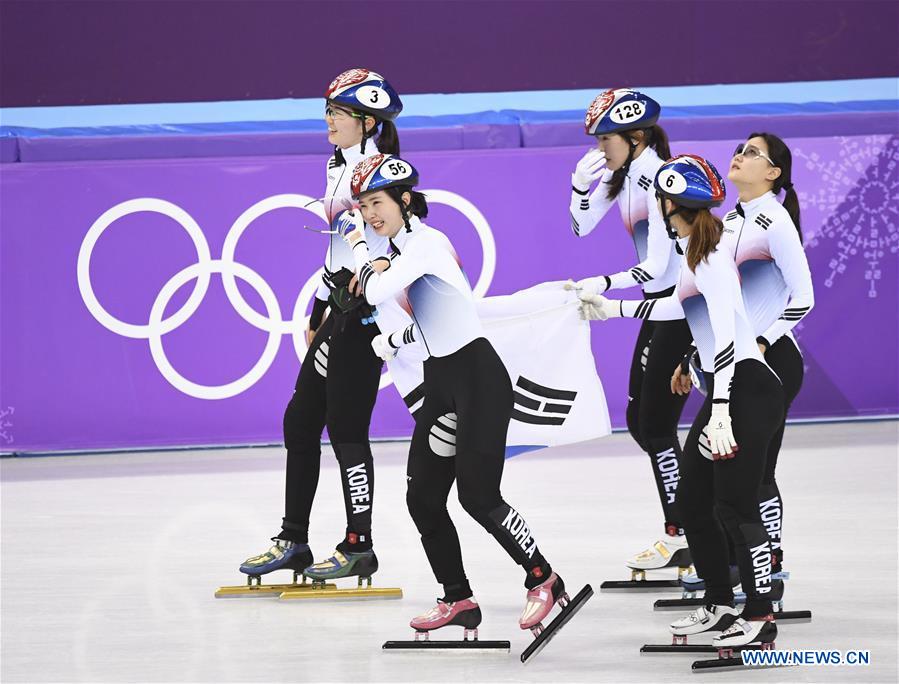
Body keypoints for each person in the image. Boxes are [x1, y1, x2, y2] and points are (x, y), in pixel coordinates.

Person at [343, 153, 571, 638]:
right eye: (362, 206)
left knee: (478, 496)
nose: (370, 214)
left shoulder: (427, 243)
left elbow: (375, 292)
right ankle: (457, 599)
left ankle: (543, 578)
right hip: (441, 381)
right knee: (423, 498)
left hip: (479, 382)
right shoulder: (403, 254)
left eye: (377, 202)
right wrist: (397, 340)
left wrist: (364, 250)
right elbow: (435, 319)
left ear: (405, 199)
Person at [578, 155, 784, 648]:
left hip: (745, 393)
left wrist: (719, 410)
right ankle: (718, 603)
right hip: (729, 392)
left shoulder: (710, 259)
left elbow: (732, 336)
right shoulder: (699, 251)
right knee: (694, 502)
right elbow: (677, 304)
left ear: (672, 205)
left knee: (735, 506)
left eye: (662, 205)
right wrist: (614, 308)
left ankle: (759, 617)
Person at [239, 69, 403, 585]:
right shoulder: (337, 166)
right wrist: (316, 307)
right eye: (327, 110)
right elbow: (335, 246)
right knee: (301, 420)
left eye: (338, 112)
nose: (328, 120)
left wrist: (375, 280)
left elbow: (400, 232)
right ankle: (294, 539)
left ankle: (360, 545)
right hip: (336, 308)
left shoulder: (380, 172)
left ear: (367, 121)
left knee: (347, 430)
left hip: (365, 315)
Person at [673, 133, 812, 573]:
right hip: (728, 364)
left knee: (756, 473)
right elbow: (718, 303)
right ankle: (732, 563)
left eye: (752, 153)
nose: (739, 155)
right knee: (724, 470)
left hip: (771, 362)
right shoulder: (727, 221)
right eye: (739, 148)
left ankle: (766, 560)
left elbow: (803, 297)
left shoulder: (776, 222)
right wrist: (690, 355)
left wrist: (766, 339)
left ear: (772, 173)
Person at [568, 88, 693, 572]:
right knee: (644, 422)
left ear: (635, 137)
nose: (601, 149)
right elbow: (580, 226)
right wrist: (581, 187)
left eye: (606, 140)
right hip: (658, 308)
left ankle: (683, 533)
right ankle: (690, 524)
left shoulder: (662, 178)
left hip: (678, 311)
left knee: (656, 427)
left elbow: (660, 267)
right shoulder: (627, 175)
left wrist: (605, 284)